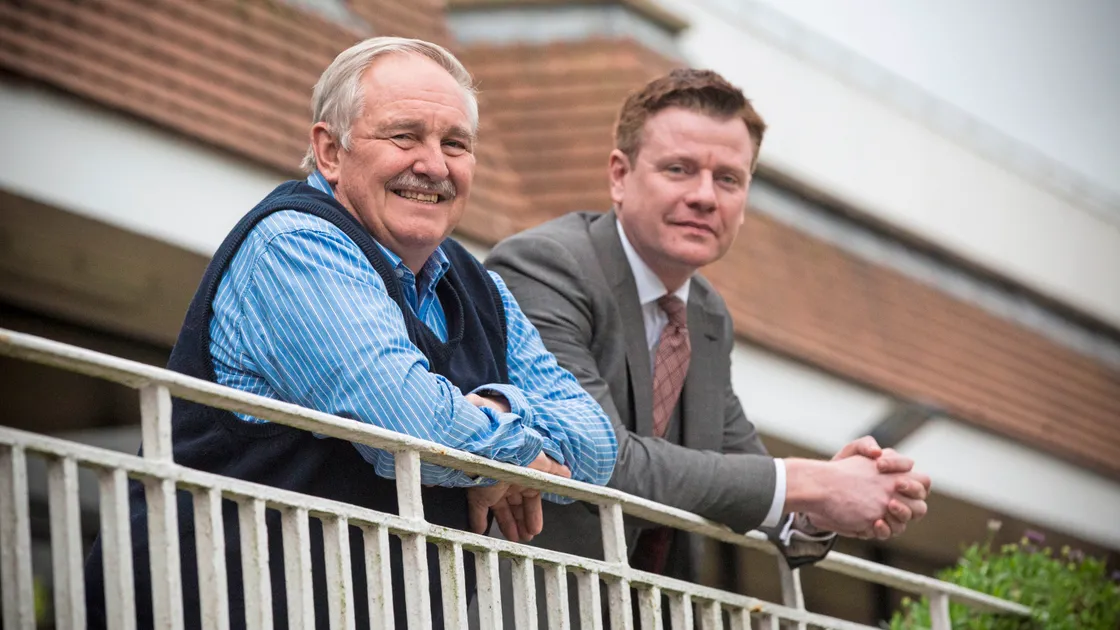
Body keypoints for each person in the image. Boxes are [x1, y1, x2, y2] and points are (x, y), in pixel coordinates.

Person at [84, 37, 617, 629]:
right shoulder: (292, 245)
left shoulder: (478, 285)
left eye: (455, 144)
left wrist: (496, 413)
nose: (433, 165)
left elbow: (597, 444)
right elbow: (408, 426)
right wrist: (517, 458)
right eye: (404, 136)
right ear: (329, 151)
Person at [485, 68, 931, 623]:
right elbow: (599, 458)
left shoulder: (705, 314)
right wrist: (811, 482)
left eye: (728, 179)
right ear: (619, 176)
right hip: (524, 607)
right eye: (679, 170)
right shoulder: (546, 267)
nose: (703, 196)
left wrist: (831, 503)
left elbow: (739, 466)